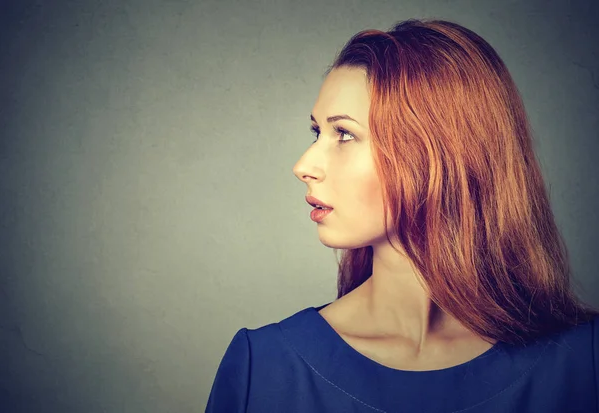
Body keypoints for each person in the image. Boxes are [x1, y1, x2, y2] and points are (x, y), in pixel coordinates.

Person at [205, 18, 599, 412]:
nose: (304, 165)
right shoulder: (265, 368)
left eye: (343, 133)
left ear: (440, 155)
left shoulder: (584, 362)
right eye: (316, 132)